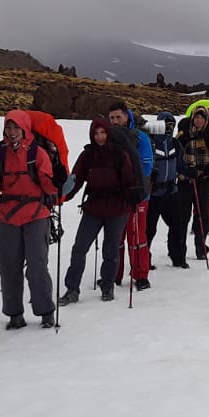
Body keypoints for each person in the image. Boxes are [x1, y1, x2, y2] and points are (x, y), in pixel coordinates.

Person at [0, 111, 58, 328]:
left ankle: (45, 311)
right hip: (7, 215)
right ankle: (14, 314)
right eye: (9, 127)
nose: (12, 132)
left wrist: (56, 185)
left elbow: (48, 183)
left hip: (36, 213)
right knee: (9, 267)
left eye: (17, 128)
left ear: (25, 128)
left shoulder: (38, 153)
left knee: (36, 266)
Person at [58, 118, 138, 303]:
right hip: (94, 207)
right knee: (79, 248)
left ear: (108, 133)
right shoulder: (88, 155)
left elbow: (128, 180)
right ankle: (72, 289)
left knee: (110, 249)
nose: (100, 137)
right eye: (96, 133)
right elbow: (76, 179)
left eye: (103, 132)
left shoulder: (120, 154)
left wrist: (133, 195)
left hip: (117, 208)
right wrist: (61, 196)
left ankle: (107, 286)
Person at [108, 101, 153, 292]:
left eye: (119, 117)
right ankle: (113, 275)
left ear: (127, 116)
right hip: (115, 196)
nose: (115, 121)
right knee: (115, 237)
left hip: (138, 195)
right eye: (112, 118)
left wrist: (133, 186)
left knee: (137, 236)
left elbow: (147, 166)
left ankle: (141, 276)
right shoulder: (107, 137)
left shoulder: (141, 138)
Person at [176, 106, 209, 260]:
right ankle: (179, 251)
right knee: (182, 217)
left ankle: (200, 247)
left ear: (206, 120)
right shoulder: (183, 135)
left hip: (203, 181)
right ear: (192, 118)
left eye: (202, 118)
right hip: (185, 181)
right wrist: (183, 171)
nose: (199, 120)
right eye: (196, 117)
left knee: (201, 216)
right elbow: (176, 157)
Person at [147, 111, 190, 268]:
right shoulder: (150, 143)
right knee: (149, 229)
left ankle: (178, 257)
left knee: (177, 225)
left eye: (171, 125)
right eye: (165, 124)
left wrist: (188, 171)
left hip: (171, 192)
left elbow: (180, 163)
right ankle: (144, 261)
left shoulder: (175, 144)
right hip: (153, 194)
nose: (168, 128)